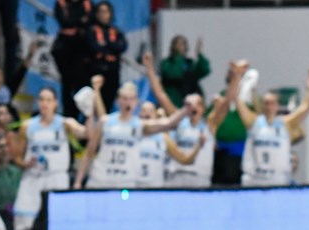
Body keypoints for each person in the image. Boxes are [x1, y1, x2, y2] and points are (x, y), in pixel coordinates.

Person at [10, 87, 87, 230]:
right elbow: (16, 156)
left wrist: (89, 112)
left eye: (49, 100)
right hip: (32, 180)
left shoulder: (65, 124)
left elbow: (86, 134)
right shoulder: (28, 126)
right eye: (41, 99)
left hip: (56, 179)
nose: (44, 104)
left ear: (55, 103)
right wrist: (24, 162)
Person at [143, 52, 241, 188]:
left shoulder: (209, 124)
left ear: (202, 108)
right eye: (189, 105)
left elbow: (227, 102)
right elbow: (161, 95)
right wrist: (149, 68)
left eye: (197, 104)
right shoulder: (178, 121)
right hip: (177, 175)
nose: (192, 108)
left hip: (200, 178)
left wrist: (236, 77)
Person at [76, 77, 185, 190]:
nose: (127, 102)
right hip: (100, 179)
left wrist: (185, 110)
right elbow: (89, 152)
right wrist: (78, 181)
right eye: (124, 99)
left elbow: (169, 124)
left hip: (125, 182)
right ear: (118, 100)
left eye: (131, 99)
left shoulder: (140, 125)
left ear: (136, 101)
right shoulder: (105, 121)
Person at [237, 65, 309, 187]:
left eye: (272, 103)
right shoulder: (253, 122)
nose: (269, 106)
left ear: (277, 105)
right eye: (266, 103)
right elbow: (237, 101)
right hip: (254, 181)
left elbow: (307, 107)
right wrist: (237, 76)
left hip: (278, 181)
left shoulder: (285, 123)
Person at [52, 0, 93, 119]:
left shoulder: (86, 3)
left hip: (82, 49)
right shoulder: (61, 3)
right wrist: (80, 20)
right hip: (65, 50)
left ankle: (85, 120)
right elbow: (65, 21)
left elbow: (90, 20)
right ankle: (69, 117)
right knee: (67, 85)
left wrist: (77, 21)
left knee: (83, 87)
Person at [85, 1, 126, 113]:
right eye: (101, 12)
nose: (103, 15)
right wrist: (110, 48)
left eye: (106, 12)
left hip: (112, 72)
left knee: (109, 103)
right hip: (96, 71)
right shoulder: (91, 30)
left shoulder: (116, 31)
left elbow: (122, 46)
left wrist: (106, 44)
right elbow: (93, 46)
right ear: (96, 14)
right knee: (92, 105)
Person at [160, 35, 209, 109]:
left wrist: (200, 55)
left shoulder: (189, 63)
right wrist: (178, 57)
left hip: (190, 105)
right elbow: (175, 74)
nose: (181, 47)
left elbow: (204, 70)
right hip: (173, 104)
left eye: (183, 44)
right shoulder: (166, 63)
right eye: (178, 44)